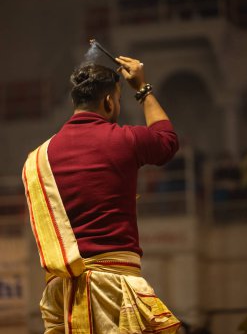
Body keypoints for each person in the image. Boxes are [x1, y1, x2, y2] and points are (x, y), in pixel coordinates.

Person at [22, 55, 181, 334]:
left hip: (61, 297)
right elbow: (167, 141)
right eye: (117, 101)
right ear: (109, 102)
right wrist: (142, 89)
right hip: (113, 290)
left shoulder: (37, 158)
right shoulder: (125, 139)